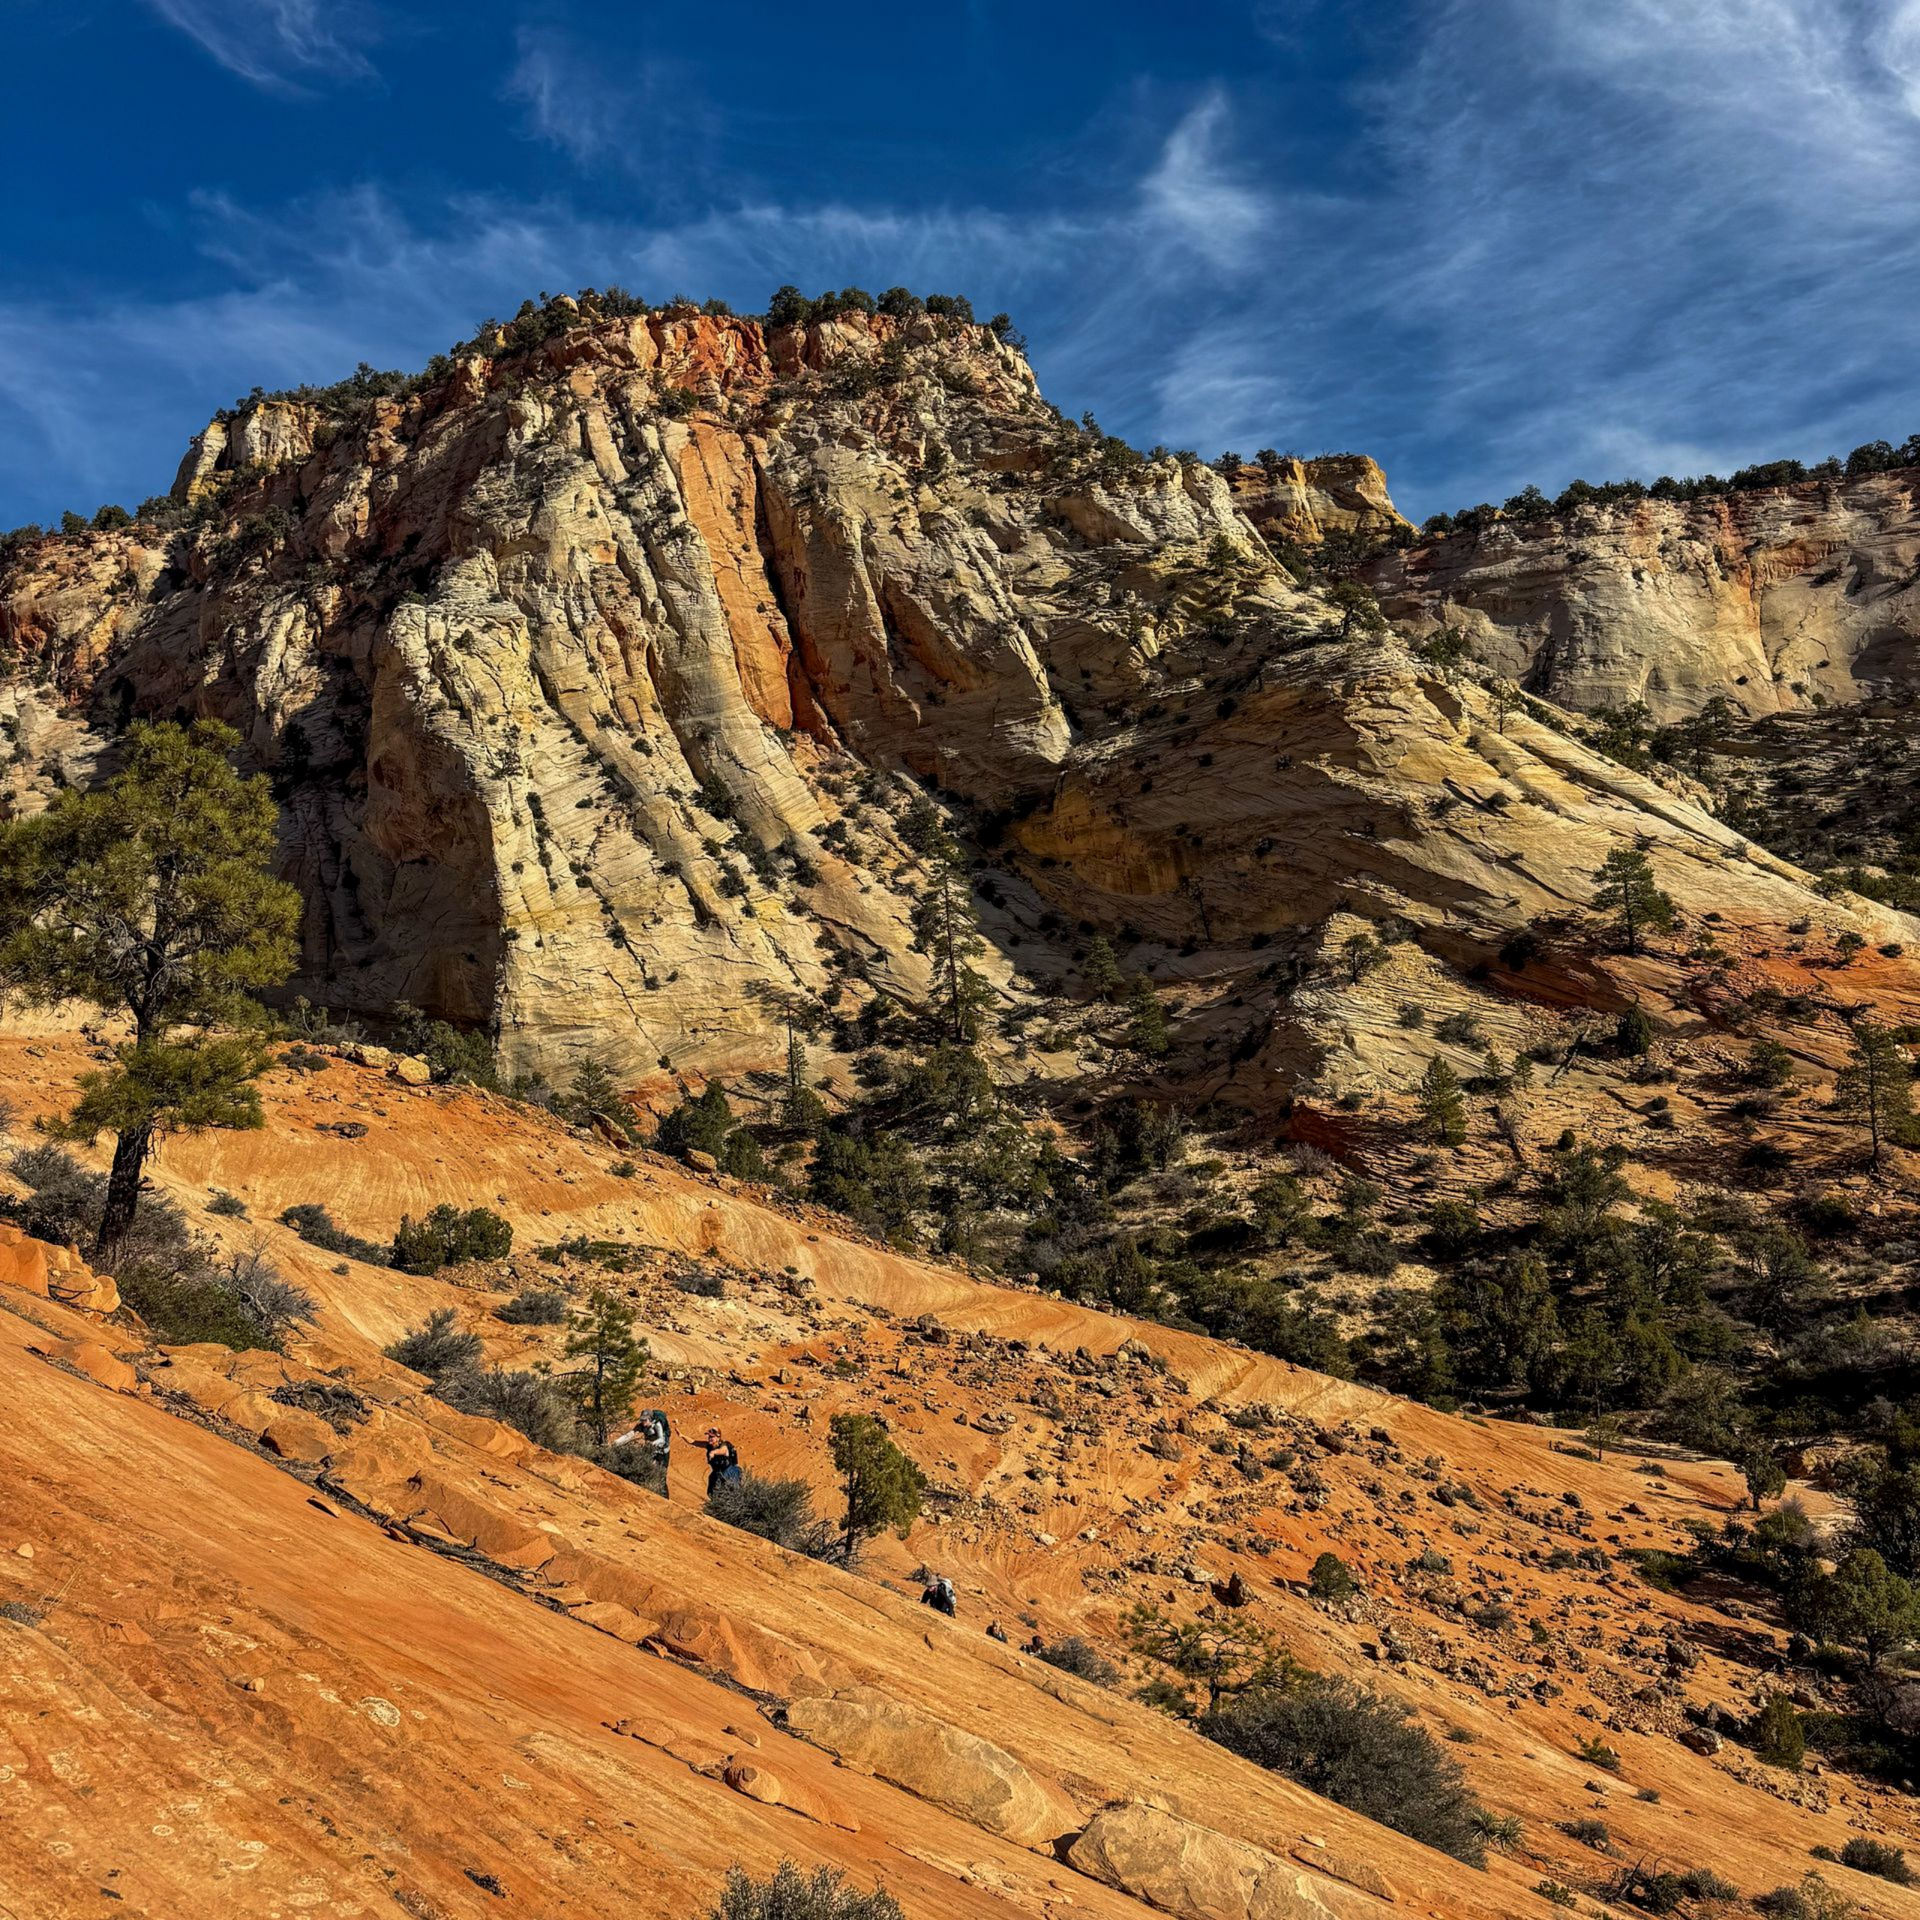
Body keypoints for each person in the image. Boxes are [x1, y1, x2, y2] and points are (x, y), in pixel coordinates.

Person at [698, 1428, 741, 1499]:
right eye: (709, 1436)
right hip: (717, 1472)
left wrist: (713, 1452)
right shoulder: (709, 1445)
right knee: (712, 1492)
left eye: (712, 1437)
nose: (709, 1438)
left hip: (729, 1472)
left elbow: (722, 1450)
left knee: (732, 1494)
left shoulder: (723, 1445)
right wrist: (682, 1436)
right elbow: (693, 1442)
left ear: (718, 1438)